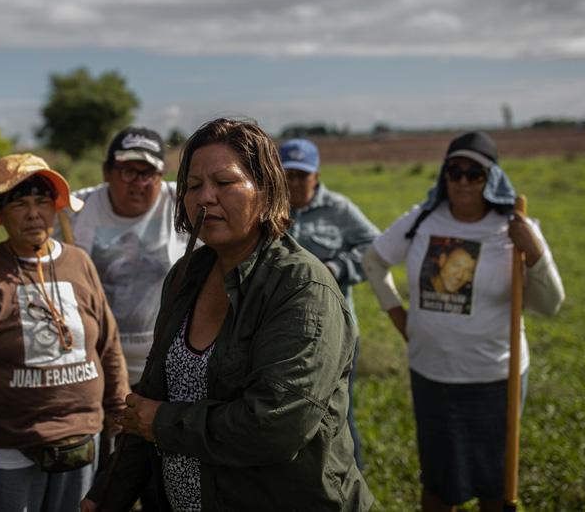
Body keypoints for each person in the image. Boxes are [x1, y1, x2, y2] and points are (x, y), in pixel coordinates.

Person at [82, 118, 374, 512]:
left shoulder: (302, 288)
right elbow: (147, 403)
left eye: (224, 182)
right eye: (193, 185)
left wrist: (163, 423)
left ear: (266, 190)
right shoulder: (187, 275)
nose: (205, 197)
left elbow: (274, 426)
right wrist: (107, 496)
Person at [362, 131, 566, 512]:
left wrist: (535, 252)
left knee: (495, 486)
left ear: (492, 178)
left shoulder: (515, 228)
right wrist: (398, 315)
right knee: (438, 483)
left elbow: (550, 304)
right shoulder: (421, 220)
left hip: (495, 379)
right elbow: (373, 262)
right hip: (432, 375)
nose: (463, 181)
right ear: (444, 175)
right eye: (454, 171)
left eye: (475, 173)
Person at [0, 153, 129, 512]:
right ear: (0, 212)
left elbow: (109, 347)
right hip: (9, 453)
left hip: (84, 442)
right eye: (19, 204)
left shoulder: (78, 262)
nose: (33, 213)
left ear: (56, 209)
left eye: (42, 201)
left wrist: (120, 424)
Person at [59, 126, 189, 388]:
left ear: (161, 175)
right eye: (128, 171)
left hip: (168, 369)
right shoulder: (73, 211)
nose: (138, 183)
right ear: (107, 172)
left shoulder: (183, 203)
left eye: (148, 173)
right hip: (95, 366)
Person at [278, 137, 379, 469]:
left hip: (335, 335)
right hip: (279, 333)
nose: (294, 183)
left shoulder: (340, 209)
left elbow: (375, 246)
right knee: (285, 416)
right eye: (287, 175)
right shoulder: (267, 209)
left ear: (316, 175)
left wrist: (339, 268)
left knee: (337, 414)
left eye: (301, 176)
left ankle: (349, 482)